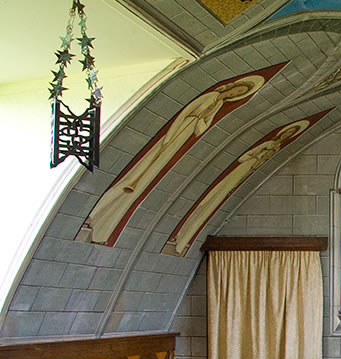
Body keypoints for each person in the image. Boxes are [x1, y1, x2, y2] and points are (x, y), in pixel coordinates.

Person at [82, 75, 264, 245]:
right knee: (140, 172)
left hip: (184, 136)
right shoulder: (210, 98)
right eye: (236, 90)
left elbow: (202, 129)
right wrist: (171, 136)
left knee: (149, 178)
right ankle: (96, 214)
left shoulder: (217, 106)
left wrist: (199, 123)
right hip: (174, 135)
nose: (233, 94)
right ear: (231, 86)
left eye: (237, 95)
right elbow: (185, 113)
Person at [164, 121, 308, 257]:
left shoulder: (277, 149)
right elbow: (244, 157)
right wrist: (254, 159)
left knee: (216, 202)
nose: (286, 136)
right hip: (243, 169)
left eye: (289, 134)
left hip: (247, 172)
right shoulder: (268, 144)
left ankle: (182, 241)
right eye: (286, 133)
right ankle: (180, 238)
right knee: (212, 198)